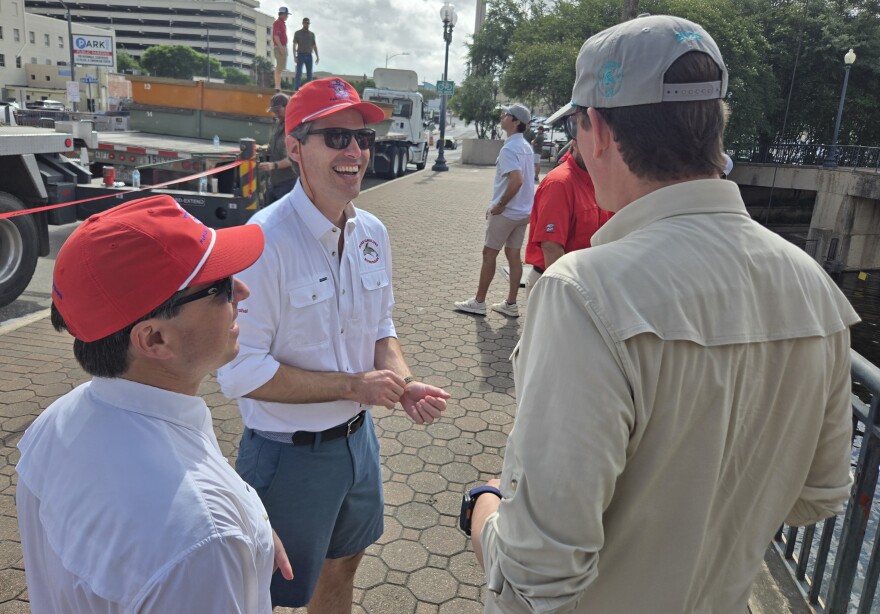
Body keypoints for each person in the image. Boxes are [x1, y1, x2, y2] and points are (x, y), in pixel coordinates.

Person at [468, 15, 859, 613]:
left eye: (577, 125)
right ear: (715, 126)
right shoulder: (813, 288)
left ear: (595, 128)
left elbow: (535, 572)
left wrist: (483, 510)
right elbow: (820, 494)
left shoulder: (584, 293)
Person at [217, 77, 450, 611]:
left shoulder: (373, 232)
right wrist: (354, 385)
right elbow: (239, 372)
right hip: (287, 454)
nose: (355, 152)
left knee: (345, 564)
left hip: (357, 444)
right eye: (336, 138)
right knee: (267, 593)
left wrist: (403, 382)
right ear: (295, 147)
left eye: (362, 139)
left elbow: (381, 328)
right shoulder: (263, 241)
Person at [16, 194, 293, 613]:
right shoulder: (203, 541)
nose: (241, 289)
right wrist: (230, 536)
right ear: (154, 339)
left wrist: (249, 525)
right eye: (218, 287)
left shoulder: (57, 423)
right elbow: (191, 537)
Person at [454, 103, 534, 318]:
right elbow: (530, 176)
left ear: (516, 122)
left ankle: (479, 302)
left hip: (507, 213)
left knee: (489, 253)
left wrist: (499, 205)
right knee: (513, 255)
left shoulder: (509, 148)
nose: (502, 116)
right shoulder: (526, 146)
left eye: (506, 114)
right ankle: (511, 304)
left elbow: (517, 180)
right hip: (524, 212)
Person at [523, 138, 612, 298]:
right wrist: (564, 296)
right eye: (591, 143)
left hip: (587, 284)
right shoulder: (560, 183)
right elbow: (551, 248)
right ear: (574, 143)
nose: (597, 152)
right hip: (559, 285)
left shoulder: (599, 181)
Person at [258, 92, 298, 203]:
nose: (275, 113)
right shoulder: (278, 124)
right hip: (275, 182)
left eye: (278, 110)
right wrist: (264, 149)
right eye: (273, 111)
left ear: (288, 106)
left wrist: (273, 165)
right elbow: (273, 144)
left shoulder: (294, 128)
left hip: (289, 183)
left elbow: (292, 158)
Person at [293, 17, 319, 91]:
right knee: (299, 73)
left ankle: (309, 89)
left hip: (309, 55)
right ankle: (296, 89)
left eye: (307, 23)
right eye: (305, 23)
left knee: (309, 74)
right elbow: (294, 45)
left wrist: (317, 56)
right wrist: (295, 56)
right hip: (301, 54)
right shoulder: (298, 33)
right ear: (303, 23)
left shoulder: (311, 34)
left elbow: (314, 45)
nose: (306, 24)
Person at [272, 6, 289, 91]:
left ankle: (278, 86)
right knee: (279, 67)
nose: (287, 16)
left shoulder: (282, 23)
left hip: (282, 46)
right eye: (286, 14)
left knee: (281, 68)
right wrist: (280, 47)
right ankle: (277, 86)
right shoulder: (277, 22)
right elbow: (276, 36)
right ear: (283, 14)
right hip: (280, 46)